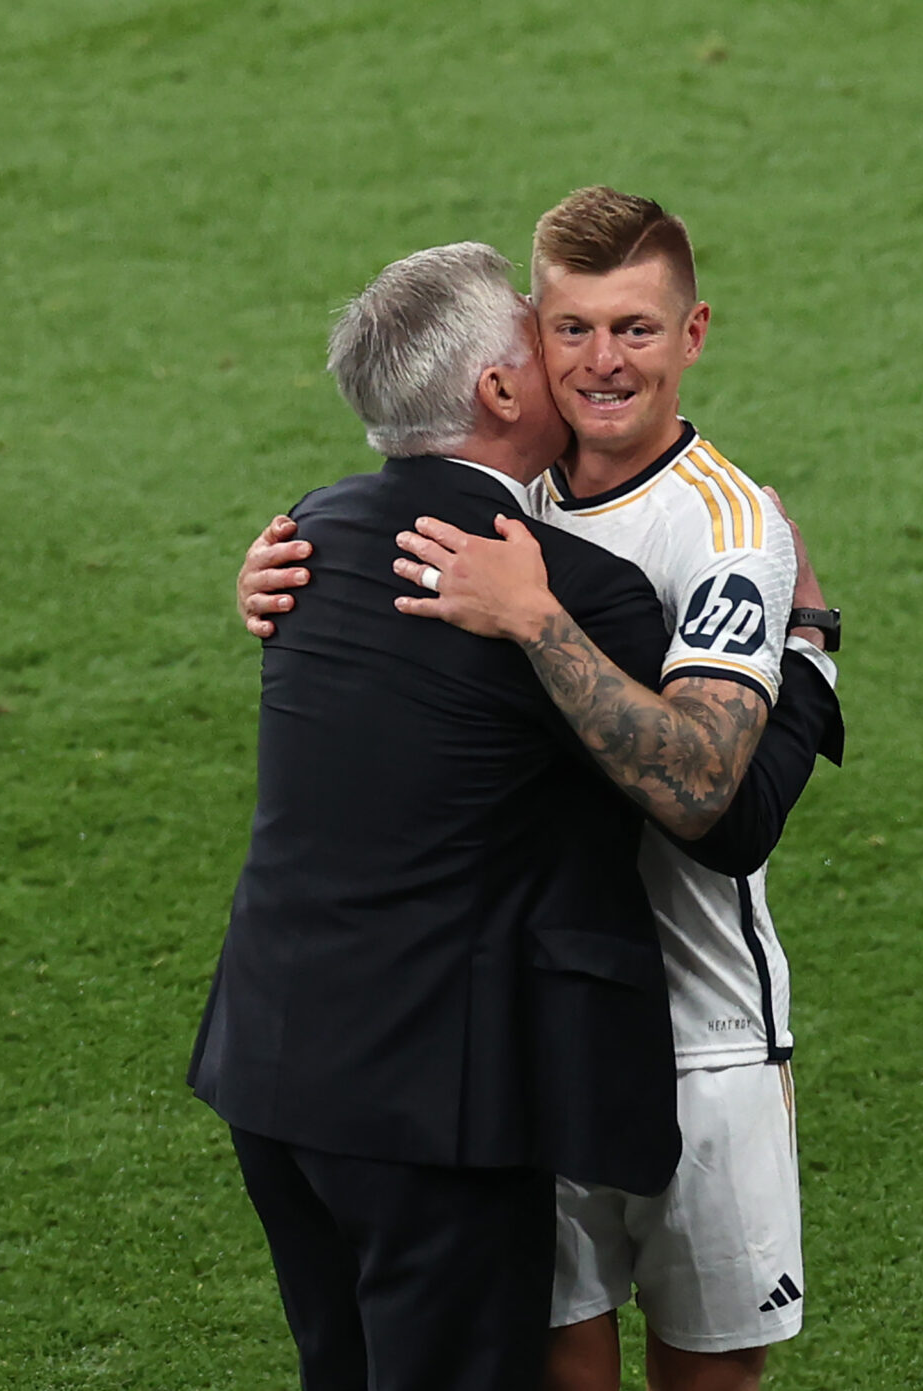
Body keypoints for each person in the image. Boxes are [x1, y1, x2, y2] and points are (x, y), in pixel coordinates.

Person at [191, 241, 840, 1391]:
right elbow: (721, 812)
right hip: (434, 1099)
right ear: (499, 389)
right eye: (549, 333)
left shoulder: (309, 537)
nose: (578, 360)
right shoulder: (557, 584)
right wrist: (809, 646)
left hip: (273, 1062)